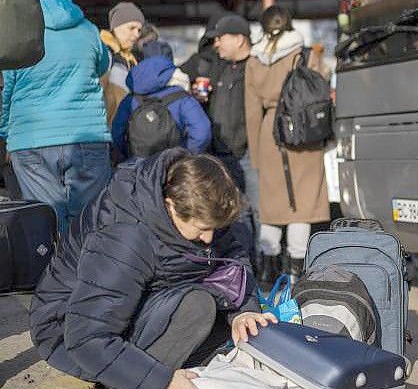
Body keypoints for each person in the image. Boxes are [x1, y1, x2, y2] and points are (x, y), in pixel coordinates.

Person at [29, 150, 275, 389]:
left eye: (213, 228)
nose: (208, 238)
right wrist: (161, 380)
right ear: (170, 206)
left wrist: (244, 311)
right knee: (196, 307)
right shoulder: (125, 237)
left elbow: (232, 257)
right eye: (201, 229)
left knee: (232, 331)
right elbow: (86, 338)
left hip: (137, 306)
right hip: (66, 331)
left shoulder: (200, 204)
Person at [0, 0, 112, 235]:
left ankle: (54, 271)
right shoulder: (89, 30)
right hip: (87, 135)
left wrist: (5, 131)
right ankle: (89, 271)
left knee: (45, 219)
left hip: (32, 140)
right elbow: (104, 66)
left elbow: (8, 90)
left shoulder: (21, 33)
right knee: (90, 220)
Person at [245, 6, 331, 282]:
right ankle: (296, 272)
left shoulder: (254, 59)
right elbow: (322, 92)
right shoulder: (305, 54)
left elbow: (250, 111)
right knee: (302, 208)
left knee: (272, 208)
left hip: (271, 135)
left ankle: (268, 271)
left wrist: (257, 156)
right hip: (305, 136)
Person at [197, 13, 261, 257]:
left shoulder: (256, 67)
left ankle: (266, 262)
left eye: (221, 38)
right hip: (223, 154)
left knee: (259, 211)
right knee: (236, 212)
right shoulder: (218, 68)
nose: (216, 44)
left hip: (250, 153)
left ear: (239, 39)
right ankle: (244, 264)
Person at [111, 53, 211, 160]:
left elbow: (117, 131)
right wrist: (187, 155)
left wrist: (127, 154)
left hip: (138, 163)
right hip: (172, 164)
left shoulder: (130, 99)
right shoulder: (182, 98)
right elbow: (201, 132)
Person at [101, 2, 145, 125]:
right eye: (131, 28)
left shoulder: (131, 59)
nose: (137, 34)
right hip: (106, 130)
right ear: (116, 27)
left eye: (139, 30)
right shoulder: (103, 53)